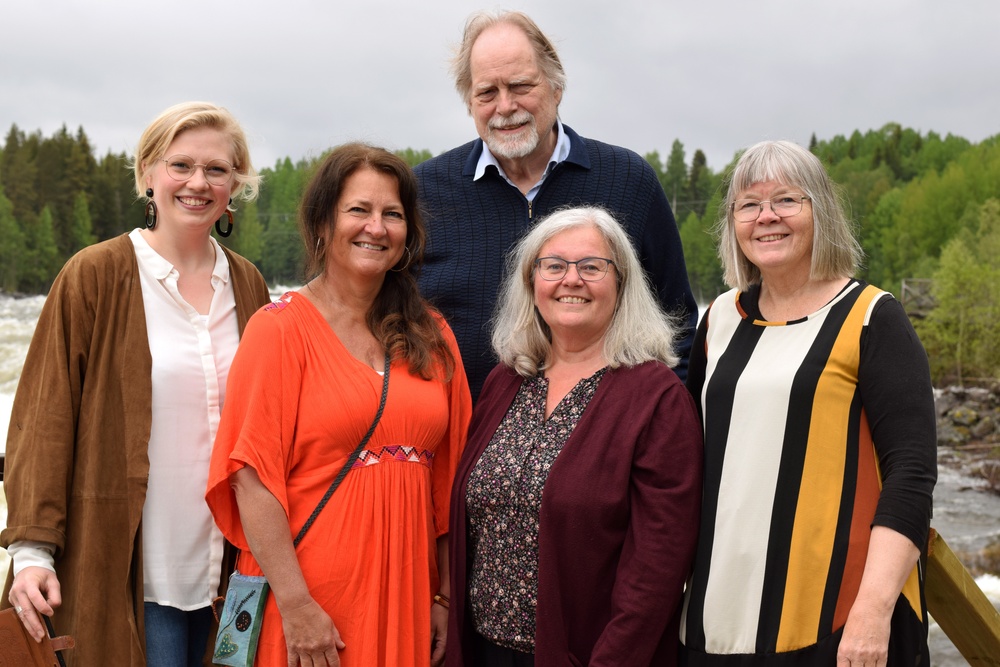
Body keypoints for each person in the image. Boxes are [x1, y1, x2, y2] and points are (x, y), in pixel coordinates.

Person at [1, 101, 272, 666]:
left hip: (233, 574)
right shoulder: (94, 274)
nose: (198, 183)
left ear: (235, 185)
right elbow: (43, 420)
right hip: (128, 572)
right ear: (148, 174)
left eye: (217, 170)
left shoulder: (248, 284)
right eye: (180, 165)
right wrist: (30, 551)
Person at [206, 143, 472, 667]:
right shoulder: (278, 330)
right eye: (359, 210)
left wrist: (443, 597)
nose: (377, 227)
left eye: (392, 214)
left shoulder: (434, 336)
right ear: (322, 223)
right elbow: (251, 480)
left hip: (406, 593)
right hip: (307, 601)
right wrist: (298, 603)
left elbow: (451, 483)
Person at [680, 140, 937, 665]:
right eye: (748, 204)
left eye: (786, 201)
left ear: (822, 210)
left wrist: (872, 613)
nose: (766, 217)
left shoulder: (871, 317)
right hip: (715, 617)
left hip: (835, 622)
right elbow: (687, 459)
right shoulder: (719, 321)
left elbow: (911, 474)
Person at [447, 206, 703, 666]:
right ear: (531, 283)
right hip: (483, 650)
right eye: (554, 266)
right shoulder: (507, 381)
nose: (571, 280)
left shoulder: (656, 398)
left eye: (592, 267)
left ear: (621, 285)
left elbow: (658, 568)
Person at [414, 10, 699, 401]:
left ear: (556, 88)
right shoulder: (421, 194)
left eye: (521, 86)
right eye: (486, 93)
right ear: (469, 102)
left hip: (605, 446)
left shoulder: (629, 180)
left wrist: (665, 422)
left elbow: (677, 324)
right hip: (463, 446)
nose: (505, 105)